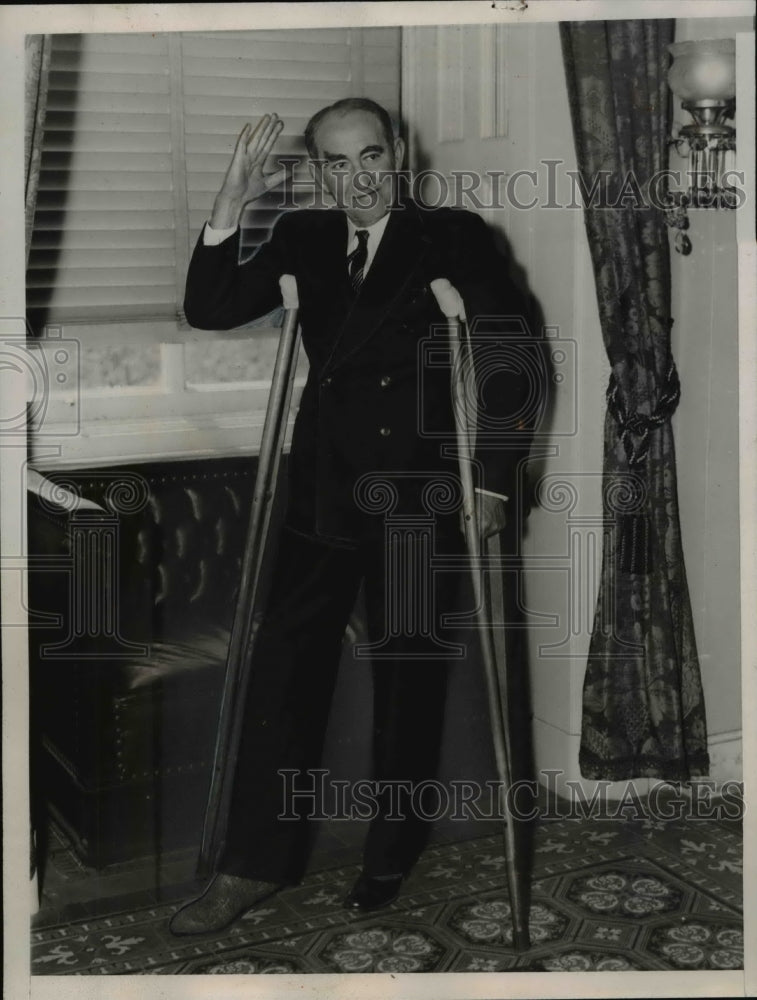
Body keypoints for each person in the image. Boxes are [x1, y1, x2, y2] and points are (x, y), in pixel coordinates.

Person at [170, 98, 536, 935]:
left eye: (371, 156)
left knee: (407, 679)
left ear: (397, 152)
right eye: (338, 163)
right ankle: (251, 866)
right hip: (321, 492)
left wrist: (491, 482)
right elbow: (210, 306)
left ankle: (389, 854)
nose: (359, 178)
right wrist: (230, 201)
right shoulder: (302, 237)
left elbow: (511, 356)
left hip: (416, 496)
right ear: (318, 173)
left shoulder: (452, 237)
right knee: (280, 674)